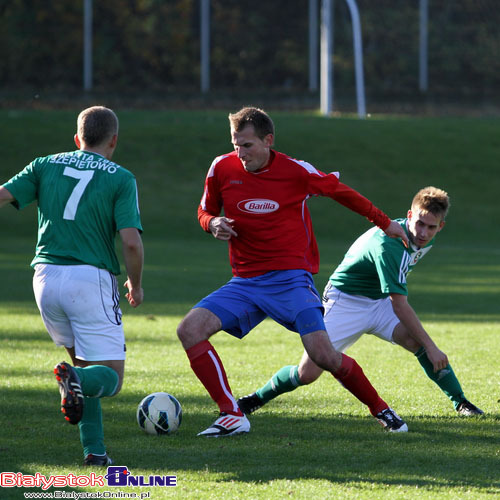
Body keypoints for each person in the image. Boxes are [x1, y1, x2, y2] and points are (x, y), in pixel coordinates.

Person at [177, 106, 411, 438]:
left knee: (323, 355)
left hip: (290, 279)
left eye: (247, 145)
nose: (240, 153)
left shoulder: (295, 171)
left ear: (268, 140)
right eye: (235, 144)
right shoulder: (221, 168)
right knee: (189, 330)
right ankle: (232, 414)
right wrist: (212, 223)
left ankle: (382, 410)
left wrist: (385, 223)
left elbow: (341, 193)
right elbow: (205, 210)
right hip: (245, 282)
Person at [238, 186, 483, 418]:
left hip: (379, 301)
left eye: (431, 227)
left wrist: (426, 344)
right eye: (419, 223)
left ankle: (461, 402)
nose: (423, 232)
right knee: (307, 373)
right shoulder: (390, 245)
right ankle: (256, 398)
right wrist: (432, 345)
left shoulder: (422, 237)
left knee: (416, 341)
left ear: (441, 227)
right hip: (346, 302)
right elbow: (399, 304)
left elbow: (394, 297)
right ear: (409, 216)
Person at [0, 106, 144, 466]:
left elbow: (3, 194)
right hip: (89, 279)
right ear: (113, 140)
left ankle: (94, 452)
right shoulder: (121, 177)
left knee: (83, 366)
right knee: (109, 376)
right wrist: (136, 284)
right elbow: (130, 242)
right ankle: (75, 381)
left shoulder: (44, 164)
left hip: (45, 280)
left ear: (77, 138)